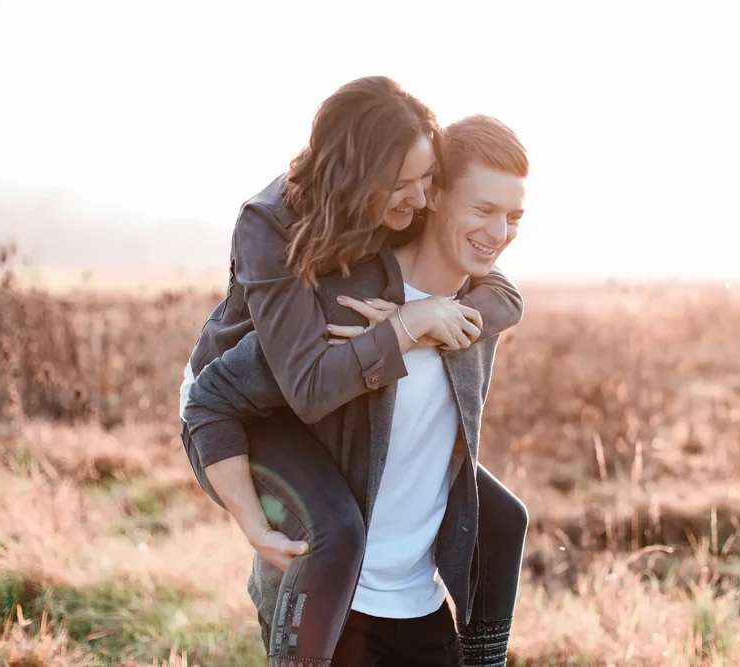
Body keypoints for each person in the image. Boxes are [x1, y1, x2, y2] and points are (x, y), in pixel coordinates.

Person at [179, 78, 526, 666]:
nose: (499, 233)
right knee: (336, 528)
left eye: (513, 216)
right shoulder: (333, 294)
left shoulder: (472, 309)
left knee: (504, 516)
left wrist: (432, 319)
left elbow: (508, 299)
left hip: (421, 610)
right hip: (337, 607)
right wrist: (401, 328)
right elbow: (222, 395)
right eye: (483, 210)